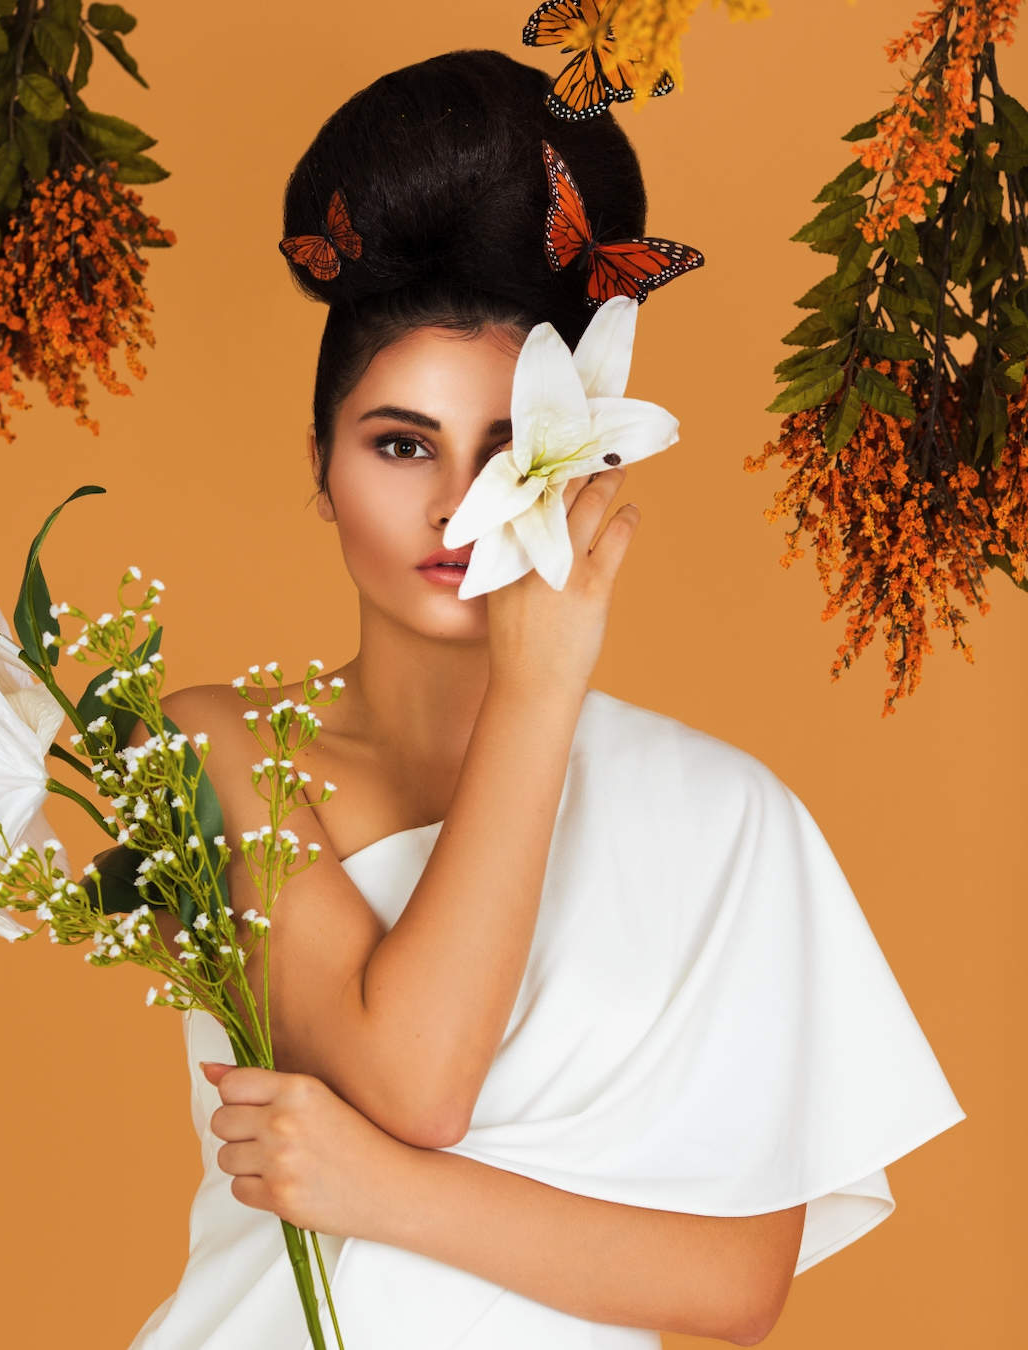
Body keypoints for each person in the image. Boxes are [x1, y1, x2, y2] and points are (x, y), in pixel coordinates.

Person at [131, 50, 963, 1350]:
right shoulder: (215, 744)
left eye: (510, 447)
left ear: (592, 460)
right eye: (401, 442)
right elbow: (414, 1076)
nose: (456, 504)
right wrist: (534, 690)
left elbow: (739, 1284)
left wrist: (381, 1194)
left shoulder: (729, 816)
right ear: (322, 464)